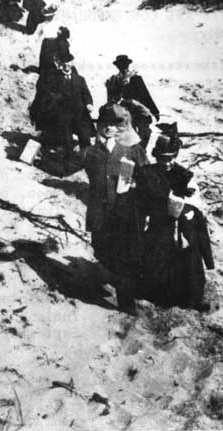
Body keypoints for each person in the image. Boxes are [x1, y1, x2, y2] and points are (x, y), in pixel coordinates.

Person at [136, 134, 214, 311]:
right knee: (158, 259)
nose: (169, 163)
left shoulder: (181, 172)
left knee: (190, 256)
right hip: (159, 223)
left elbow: (192, 197)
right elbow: (142, 200)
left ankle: (192, 299)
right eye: (164, 159)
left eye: (172, 158)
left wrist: (185, 202)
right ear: (157, 157)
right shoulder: (147, 173)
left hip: (181, 224)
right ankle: (157, 297)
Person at [84, 104, 149, 314]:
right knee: (103, 251)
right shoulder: (92, 152)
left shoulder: (134, 149)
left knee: (123, 259)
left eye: (116, 124)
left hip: (124, 215)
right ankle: (107, 276)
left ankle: (126, 302)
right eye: (106, 124)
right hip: (100, 213)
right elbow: (68, 166)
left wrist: (137, 187)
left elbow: (147, 176)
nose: (110, 128)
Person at [106, 55, 160, 148]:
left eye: (125, 65)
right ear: (117, 66)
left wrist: (155, 111)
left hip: (139, 111)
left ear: (128, 65)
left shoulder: (136, 78)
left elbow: (145, 95)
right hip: (124, 112)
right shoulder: (114, 80)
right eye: (121, 65)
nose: (123, 67)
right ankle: (132, 153)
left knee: (145, 132)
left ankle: (141, 151)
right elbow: (111, 97)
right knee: (129, 136)